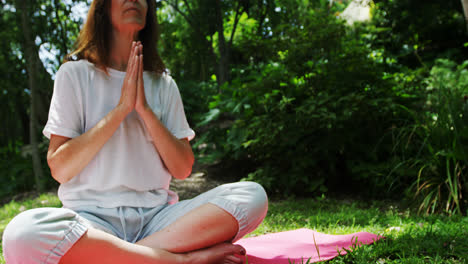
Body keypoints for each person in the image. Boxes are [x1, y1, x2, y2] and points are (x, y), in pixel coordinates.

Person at [2, 0, 268, 263]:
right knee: (22, 233)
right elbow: (60, 168)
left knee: (253, 196)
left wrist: (143, 110)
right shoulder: (73, 75)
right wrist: (121, 109)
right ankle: (179, 260)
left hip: (159, 222)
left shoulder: (164, 83)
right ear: (104, 7)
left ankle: (122, 257)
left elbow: (182, 168)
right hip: (92, 222)